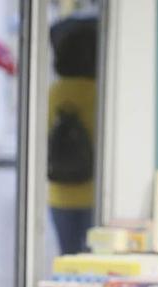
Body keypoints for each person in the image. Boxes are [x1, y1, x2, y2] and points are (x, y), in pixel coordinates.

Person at [47, 19, 97, 254]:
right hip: (94, 191)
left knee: (67, 256)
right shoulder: (100, 91)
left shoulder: (54, 93)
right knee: (92, 260)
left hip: (60, 191)